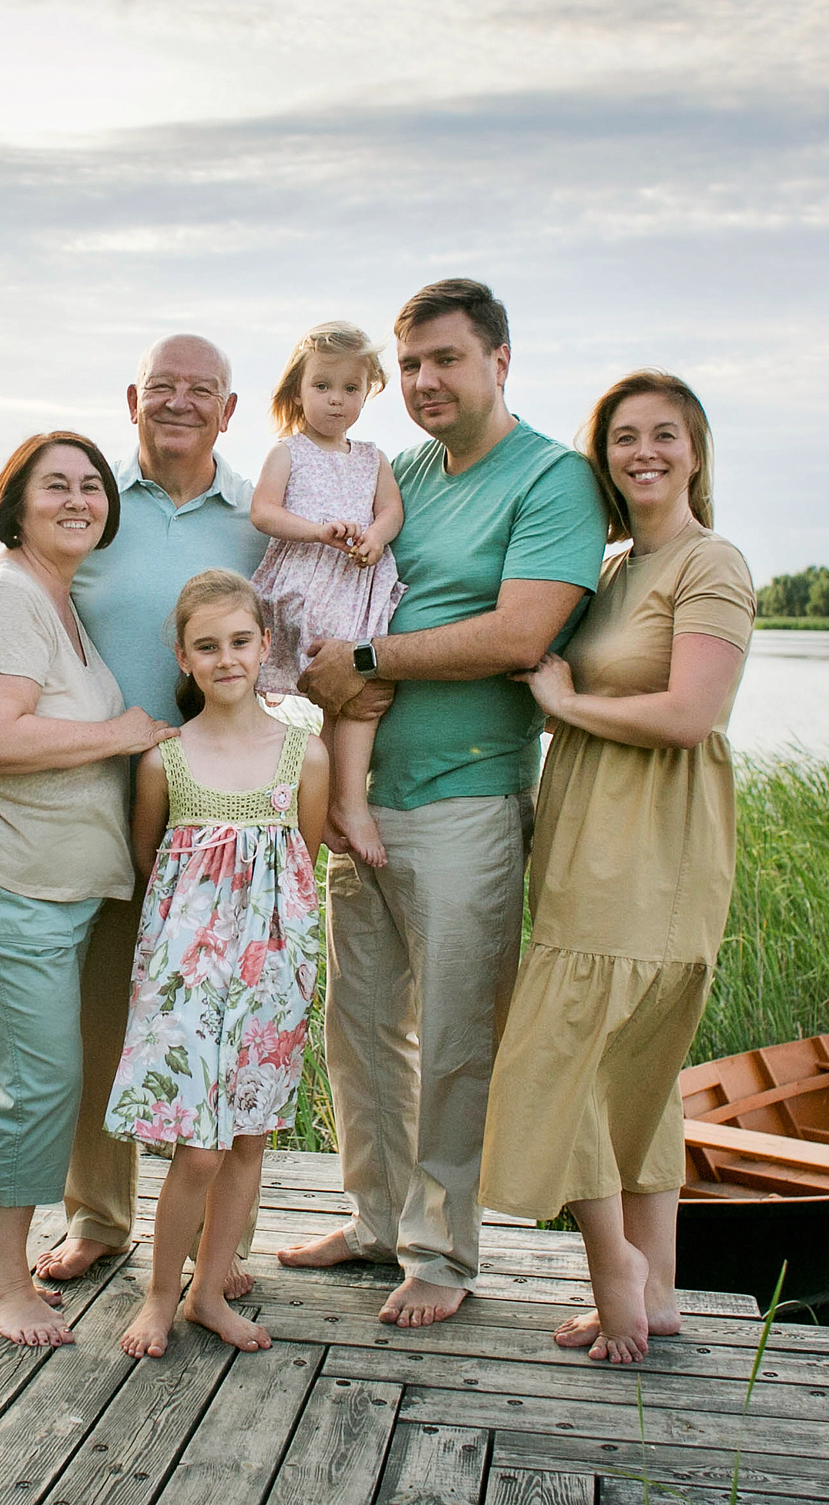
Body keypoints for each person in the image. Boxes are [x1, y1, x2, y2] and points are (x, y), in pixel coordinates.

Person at [0, 336, 269, 1286]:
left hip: (214, 814)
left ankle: (209, 1243)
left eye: (201, 390)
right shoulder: (90, 509)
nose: (180, 402)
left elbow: (299, 628)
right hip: (85, 817)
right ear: (133, 400)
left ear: (229, 410)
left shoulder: (259, 518)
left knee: (212, 1020)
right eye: (162, 387)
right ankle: (97, 1218)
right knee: (83, 1034)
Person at [285, 279, 608, 1328]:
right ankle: (375, 1220)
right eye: (412, 363)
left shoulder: (554, 479)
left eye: (446, 359)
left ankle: (440, 1253)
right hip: (360, 797)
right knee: (360, 1028)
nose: (425, 381)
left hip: (467, 800)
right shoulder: (403, 472)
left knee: (457, 1037)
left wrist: (365, 660)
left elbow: (521, 633)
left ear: (499, 360)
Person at [482, 371, 754, 1363]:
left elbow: (690, 715)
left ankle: (619, 1283)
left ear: (695, 451)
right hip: (586, 831)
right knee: (636, 1073)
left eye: (663, 434)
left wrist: (564, 706)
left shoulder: (710, 564)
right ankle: (662, 1290)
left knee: (568, 1057)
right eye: (623, 436)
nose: (643, 451)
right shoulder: (608, 569)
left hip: (653, 843)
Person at [0, 431, 177, 1347]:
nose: (78, 499)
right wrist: (124, 734)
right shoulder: (8, 593)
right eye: (55, 484)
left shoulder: (50, 598)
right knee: (40, 1080)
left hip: (40, 887)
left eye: (92, 485)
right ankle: (5, 1281)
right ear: (15, 504)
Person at [106, 569, 330, 1358]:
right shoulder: (166, 759)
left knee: (246, 1140)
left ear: (266, 645)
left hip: (270, 977)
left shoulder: (304, 755)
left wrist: (268, 951)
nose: (226, 658)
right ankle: (159, 1295)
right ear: (184, 656)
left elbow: (303, 857)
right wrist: (197, 939)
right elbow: (150, 860)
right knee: (197, 1146)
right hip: (186, 978)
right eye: (207, 646)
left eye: (240, 641)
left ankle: (208, 1292)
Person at [248, 322, 405, 867]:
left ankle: (342, 801)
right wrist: (317, 531)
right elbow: (263, 512)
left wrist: (375, 537)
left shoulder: (372, 457)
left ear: (367, 393)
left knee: (354, 695)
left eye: (350, 388)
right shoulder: (288, 452)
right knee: (346, 692)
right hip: (306, 585)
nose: (336, 399)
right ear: (298, 391)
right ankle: (335, 805)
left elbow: (391, 510)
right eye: (322, 386)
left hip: (354, 585)